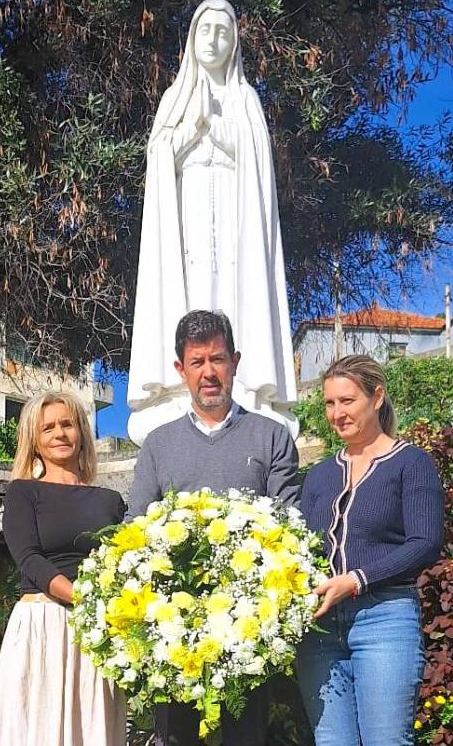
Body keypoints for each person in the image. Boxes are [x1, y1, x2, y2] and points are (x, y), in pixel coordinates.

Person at [126, 0, 298, 445]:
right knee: (188, 299)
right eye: (206, 31)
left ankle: (242, 385)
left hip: (236, 226)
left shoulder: (245, 99)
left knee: (234, 301)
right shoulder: (173, 99)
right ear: (192, 39)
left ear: (234, 42)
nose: (214, 40)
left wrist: (216, 128)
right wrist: (188, 130)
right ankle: (180, 389)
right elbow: (160, 157)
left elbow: (256, 162)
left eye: (224, 32)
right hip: (187, 224)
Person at [127, 309, 300, 746]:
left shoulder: (272, 435)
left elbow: (289, 523)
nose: (209, 372)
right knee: (175, 739)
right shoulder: (158, 444)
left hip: (249, 629)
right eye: (198, 362)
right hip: (173, 631)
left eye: (218, 359)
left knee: (247, 736)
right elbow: (135, 527)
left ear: (235, 362)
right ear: (180, 370)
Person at [294, 355, 445, 746]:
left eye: (347, 401)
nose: (336, 413)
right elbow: (300, 545)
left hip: (385, 619)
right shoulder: (320, 475)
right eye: (329, 403)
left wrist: (357, 580)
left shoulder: (411, 464)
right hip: (320, 628)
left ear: (376, 397)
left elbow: (425, 543)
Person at [0, 392, 127, 746]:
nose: (59, 433)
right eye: (47, 427)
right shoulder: (23, 493)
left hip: (95, 630)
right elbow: (30, 559)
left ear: (81, 431)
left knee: (91, 726)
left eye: (67, 424)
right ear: (34, 440)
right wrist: (83, 598)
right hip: (43, 623)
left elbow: (120, 562)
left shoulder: (109, 501)